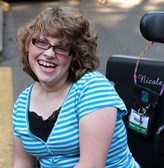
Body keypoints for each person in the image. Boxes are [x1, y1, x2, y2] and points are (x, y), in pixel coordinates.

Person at [12, 5, 140, 168]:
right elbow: (21, 163)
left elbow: (91, 166)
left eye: (61, 48)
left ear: (75, 55)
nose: (50, 54)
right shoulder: (22, 103)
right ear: (28, 47)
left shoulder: (92, 88)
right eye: (42, 42)